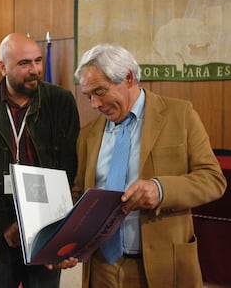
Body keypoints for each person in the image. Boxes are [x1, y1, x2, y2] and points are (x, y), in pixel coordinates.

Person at [72, 43, 227, 288]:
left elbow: (213, 179)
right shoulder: (88, 134)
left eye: (100, 91)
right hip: (101, 268)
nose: (94, 104)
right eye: (88, 96)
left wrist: (160, 189)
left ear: (129, 78)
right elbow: (79, 194)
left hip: (162, 266)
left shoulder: (181, 115)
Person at [0, 33, 80, 288]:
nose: (35, 70)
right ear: (2, 67)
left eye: (38, 61)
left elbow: (69, 166)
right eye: (24, 63)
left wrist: (53, 223)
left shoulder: (61, 102)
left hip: (46, 227)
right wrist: (4, 223)